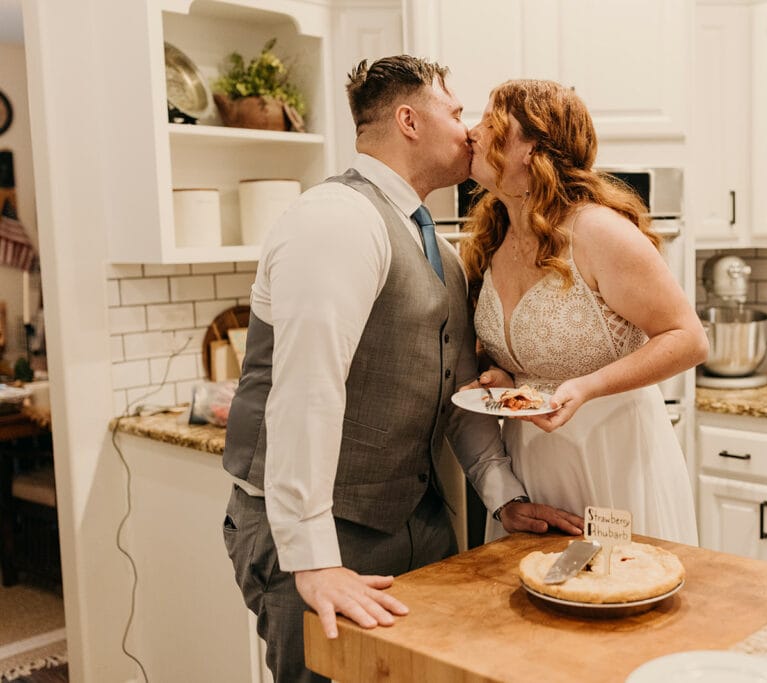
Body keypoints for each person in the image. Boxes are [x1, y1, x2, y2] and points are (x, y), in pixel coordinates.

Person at [221, 58, 584, 683]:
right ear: (408, 120)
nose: (471, 131)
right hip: (317, 534)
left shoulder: (441, 251)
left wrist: (505, 500)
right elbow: (307, 390)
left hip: (417, 523)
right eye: (456, 112)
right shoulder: (334, 219)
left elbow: (456, 392)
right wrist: (313, 560)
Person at [460, 79, 708, 545]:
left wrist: (589, 387)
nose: (471, 133)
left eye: (490, 122)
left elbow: (688, 338)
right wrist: (502, 377)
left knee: (618, 597)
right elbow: (519, 357)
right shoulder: (492, 241)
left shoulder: (597, 232)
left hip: (613, 457)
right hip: (530, 468)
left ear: (532, 149)